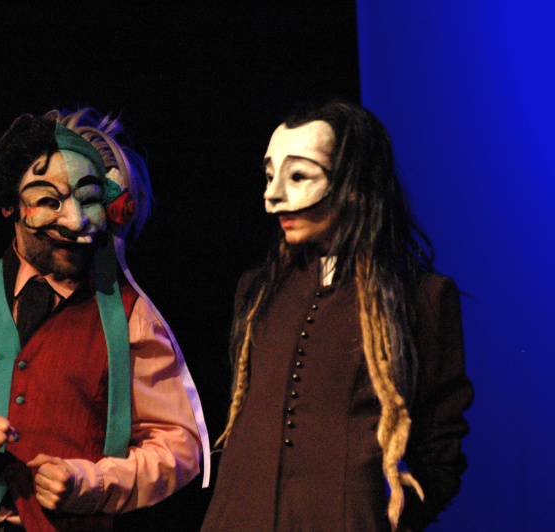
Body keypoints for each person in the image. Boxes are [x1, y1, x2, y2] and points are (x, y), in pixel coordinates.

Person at [0, 108, 210, 532]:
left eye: (88, 199)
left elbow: (179, 446)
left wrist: (94, 483)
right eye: (49, 201)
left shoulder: (131, 316)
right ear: (10, 205)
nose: (74, 220)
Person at [202, 100, 473, 531]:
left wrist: (380, 514)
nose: (272, 196)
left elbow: (440, 444)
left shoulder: (421, 298)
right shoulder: (257, 291)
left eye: (299, 176)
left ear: (353, 184)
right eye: (270, 176)